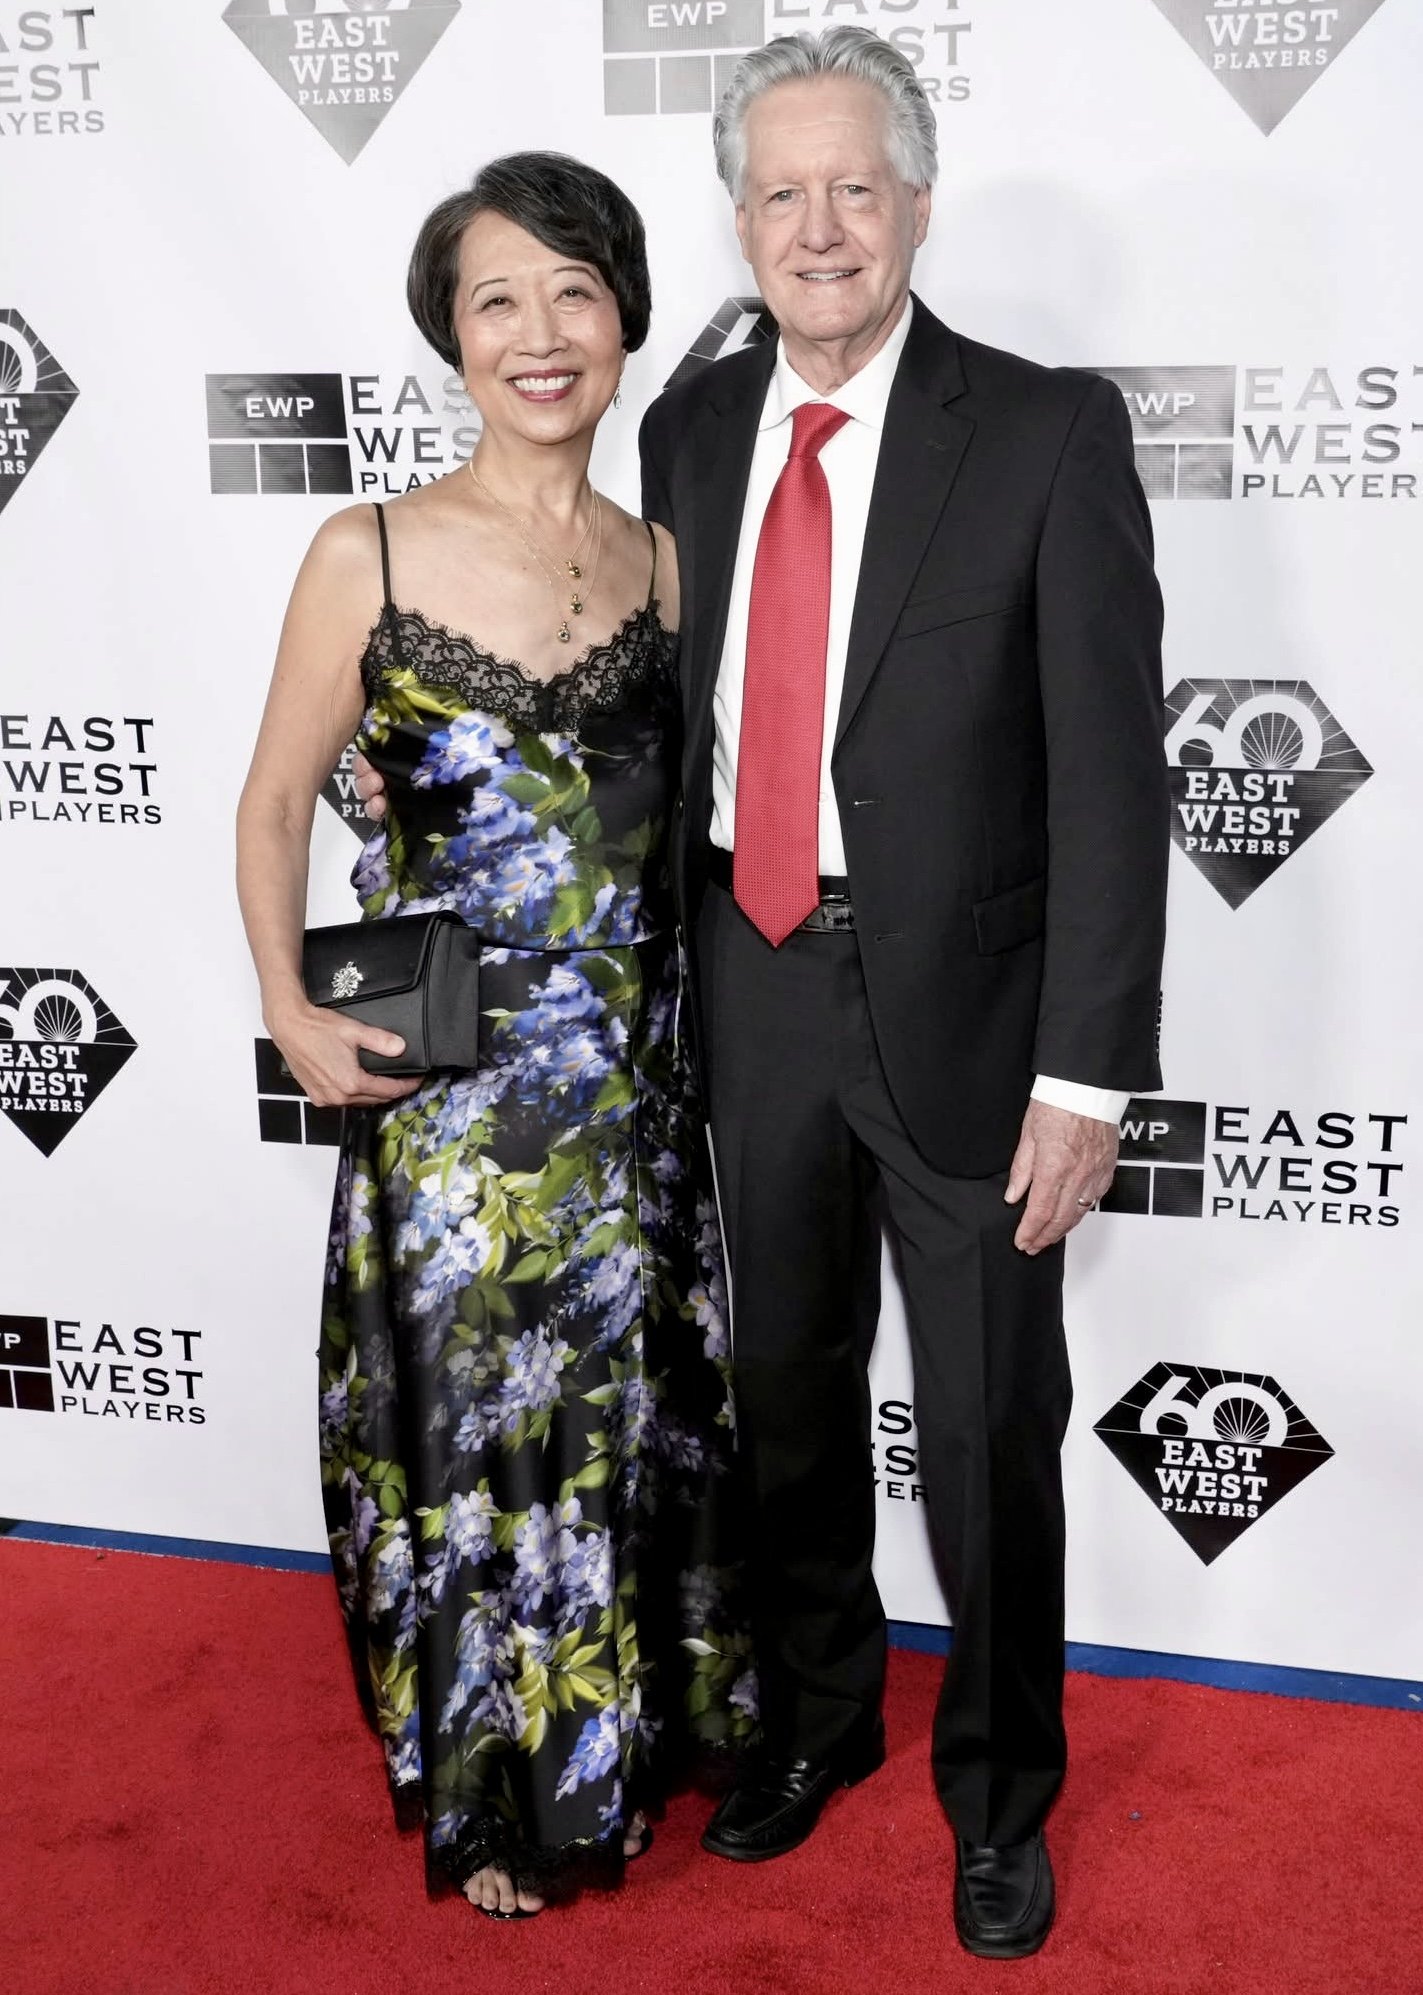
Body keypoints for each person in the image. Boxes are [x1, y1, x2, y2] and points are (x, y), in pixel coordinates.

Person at [357, 27, 1170, 1961]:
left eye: (854, 188)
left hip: (977, 1012)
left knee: (983, 1431)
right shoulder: (690, 433)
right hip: (747, 979)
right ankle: (817, 1724)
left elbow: (1115, 777)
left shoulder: (1050, 430)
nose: (819, 227)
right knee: (788, 1403)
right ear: (740, 221)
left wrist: (1092, 1074)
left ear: (913, 205)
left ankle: (1001, 1793)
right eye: (781, 194)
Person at [236, 151, 751, 1922]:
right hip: (455, 1105)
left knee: (632, 1414)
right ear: (450, 336)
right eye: (497, 300)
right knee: (479, 1437)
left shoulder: (675, 564)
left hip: (639, 1084)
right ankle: (506, 1797)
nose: (542, 335)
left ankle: (637, 1740)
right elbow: (275, 801)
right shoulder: (362, 547)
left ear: (624, 322)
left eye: (576, 294)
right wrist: (288, 1006)